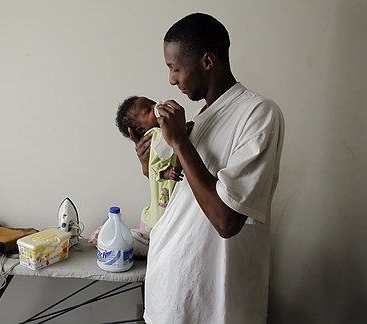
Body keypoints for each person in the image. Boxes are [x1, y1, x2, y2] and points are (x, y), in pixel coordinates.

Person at [129, 13, 285, 323]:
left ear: (208, 62)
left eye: (175, 68)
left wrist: (180, 144)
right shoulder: (196, 121)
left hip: (215, 305)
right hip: (170, 295)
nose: (171, 80)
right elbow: (184, 200)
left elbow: (227, 220)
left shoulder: (258, 113)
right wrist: (152, 169)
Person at [116, 96, 194, 236]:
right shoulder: (157, 134)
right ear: (140, 130)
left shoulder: (160, 134)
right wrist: (182, 128)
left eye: (153, 103)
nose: (157, 106)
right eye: (149, 109)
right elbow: (171, 144)